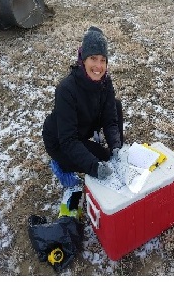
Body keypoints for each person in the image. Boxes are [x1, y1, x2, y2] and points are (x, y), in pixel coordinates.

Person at [42, 26, 125, 216]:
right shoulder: (66, 90)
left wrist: (116, 147)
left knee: (109, 152)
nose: (98, 66)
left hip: (83, 131)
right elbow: (69, 140)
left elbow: (111, 120)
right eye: (93, 59)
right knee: (99, 164)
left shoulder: (106, 82)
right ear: (83, 59)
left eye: (103, 60)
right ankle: (60, 165)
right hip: (61, 141)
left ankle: (117, 151)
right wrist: (94, 167)